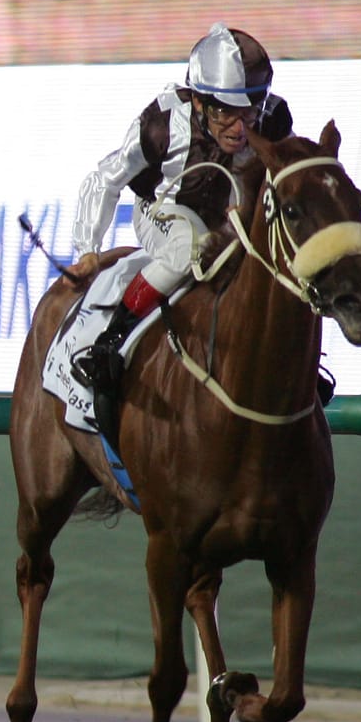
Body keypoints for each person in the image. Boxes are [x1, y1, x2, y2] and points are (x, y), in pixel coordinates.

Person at [68, 23, 293, 438]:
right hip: (164, 208)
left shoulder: (274, 119)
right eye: (226, 110)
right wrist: (87, 249)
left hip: (230, 220)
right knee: (189, 245)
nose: (240, 126)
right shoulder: (163, 124)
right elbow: (105, 179)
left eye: (250, 107)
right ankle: (109, 343)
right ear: (200, 102)